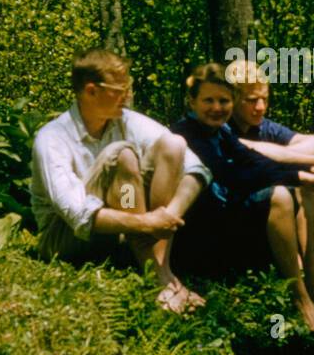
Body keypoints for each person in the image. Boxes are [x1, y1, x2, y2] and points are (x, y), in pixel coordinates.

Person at [31, 49, 210, 313]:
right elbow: (78, 214)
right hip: (66, 238)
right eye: (120, 88)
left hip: (124, 216)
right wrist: (148, 222)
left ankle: (160, 268)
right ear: (91, 91)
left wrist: (168, 215)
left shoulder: (125, 121)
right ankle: (159, 280)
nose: (127, 95)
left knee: (173, 145)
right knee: (123, 155)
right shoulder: (52, 137)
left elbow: (197, 168)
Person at [171, 62, 314, 335]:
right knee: (279, 197)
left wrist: (309, 174)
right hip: (199, 234)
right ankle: (301, 299)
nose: (217, 107)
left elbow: (250, 160)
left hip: (225, 216)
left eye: (223, 100)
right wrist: (301, 176)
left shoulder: (222, 131)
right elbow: (233, 175)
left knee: (289, 192)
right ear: (192, 101)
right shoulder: (186, 133)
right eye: (209, 101)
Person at [226, 59, 314, 329]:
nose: (260, 107)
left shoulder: (263, 127)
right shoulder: (222, 128)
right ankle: (300, 299)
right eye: (251, 100)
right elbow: (243, 158)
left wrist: (295, 158)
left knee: (309, 192)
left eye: (264, 99)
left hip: (269, 221)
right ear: (233, 98)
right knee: (283, 192)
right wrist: (299, 162)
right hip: (230, 227)